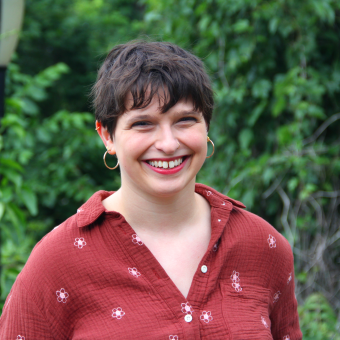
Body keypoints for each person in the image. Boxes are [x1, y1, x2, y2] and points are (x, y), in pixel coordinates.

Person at [0, 41, 302, 339]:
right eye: (143, 124)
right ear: (107, 135)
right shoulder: (57, 262)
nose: (168, 144)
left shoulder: (263, 247)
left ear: (206, 126)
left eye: (185, 120)